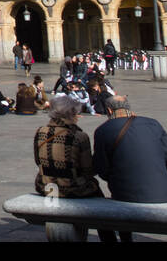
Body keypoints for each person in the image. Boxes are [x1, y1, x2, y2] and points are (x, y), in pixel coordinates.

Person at [93, 94, 167, 234]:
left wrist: (116, 180)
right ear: (128, 107)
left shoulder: (102, 130)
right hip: (165, 191)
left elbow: (102, 168)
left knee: (118, 206)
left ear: (109, 111)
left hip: (123, 193)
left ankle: (126, 238)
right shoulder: (153, 124)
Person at [33, 94, 119, 242]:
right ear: (70, 114)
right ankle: (108, 238)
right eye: (76, 113)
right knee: (98, 195)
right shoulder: (79, 136)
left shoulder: (40, 132)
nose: (78, 117)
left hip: (46, 185)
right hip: (73, 187)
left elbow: (37, 160)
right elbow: (87, 169)